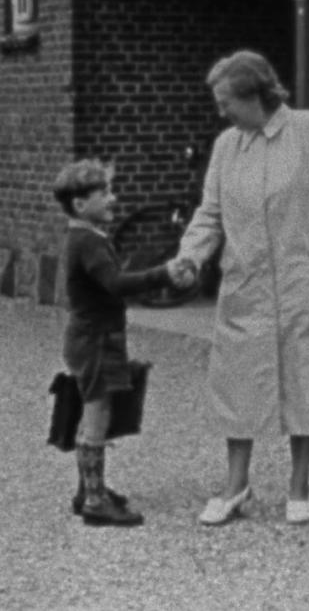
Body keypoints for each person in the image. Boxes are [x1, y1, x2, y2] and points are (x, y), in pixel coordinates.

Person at [173, 49, 309, 526]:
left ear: (255, 95)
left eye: (226, 101)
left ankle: (299, 484)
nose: (221, 112)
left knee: (306, 380)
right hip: (245, 284)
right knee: (236, 383)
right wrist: (190, 255)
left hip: (305, 282)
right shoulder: (227, 146)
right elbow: (210, 213)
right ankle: (235, 485)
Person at [53, 158, 187, 526]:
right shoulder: (88, 242)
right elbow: (115, 283)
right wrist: (163, 274)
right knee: (96, 415)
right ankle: (95, 500)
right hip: (96, 340)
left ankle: (88, 489)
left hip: (92, 337)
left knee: (93, 411)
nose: (113, 198)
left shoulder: (84, 237)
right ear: (81, 204)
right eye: (105, 193)